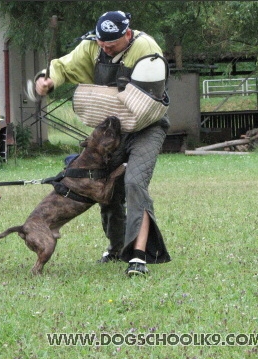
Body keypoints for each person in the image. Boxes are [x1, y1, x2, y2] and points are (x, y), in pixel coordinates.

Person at [35, 10, 171, 276]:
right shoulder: (92, 47)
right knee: (106, 189)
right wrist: (47, 79)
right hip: (113, 132)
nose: (106, 48)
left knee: (134, 184)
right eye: (102, 42)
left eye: (112, 43)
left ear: (128, 35)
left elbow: (149, 98)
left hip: (147, 127)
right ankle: (116, 248)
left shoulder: (146, 48)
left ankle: (138, 258)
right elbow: (62, 66)